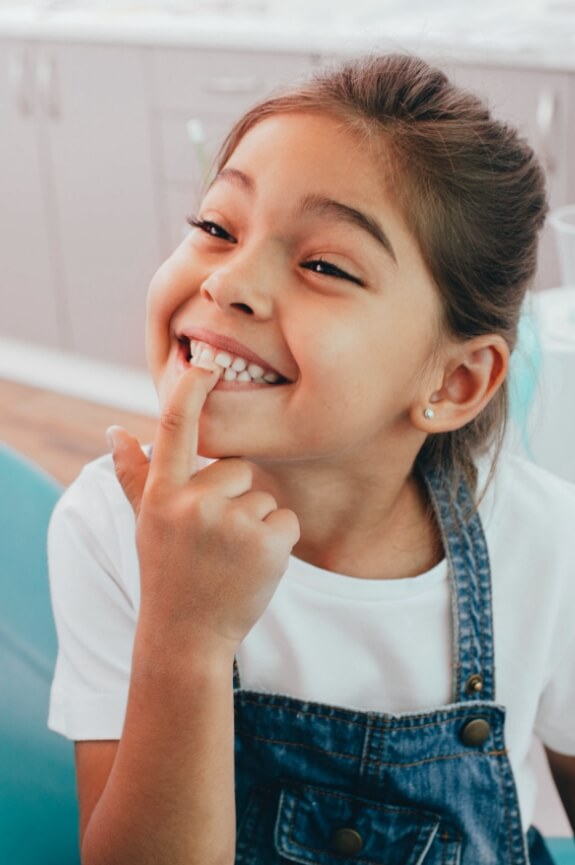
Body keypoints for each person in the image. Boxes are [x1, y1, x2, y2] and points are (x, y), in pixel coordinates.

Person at [47, 54, 575, 865]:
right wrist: (183, 633)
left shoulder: (545, 543)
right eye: (218, 226)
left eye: (324, 265)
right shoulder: (111, 523)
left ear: (454, 379)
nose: (227, 280)